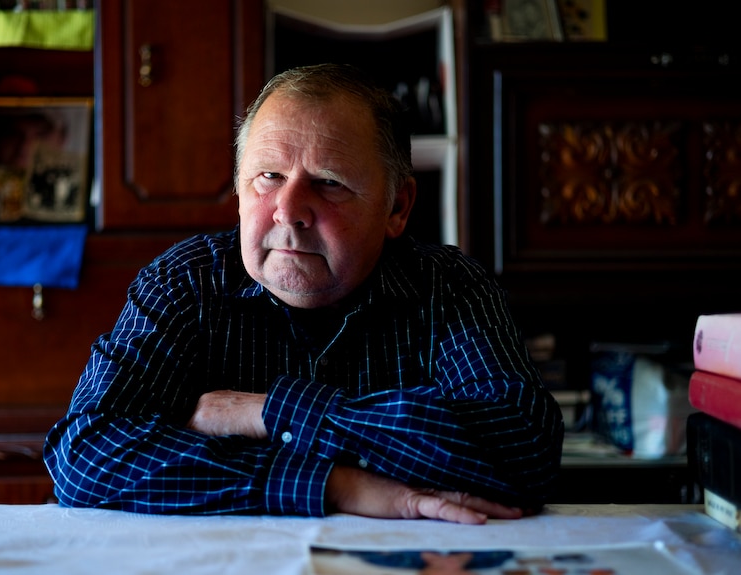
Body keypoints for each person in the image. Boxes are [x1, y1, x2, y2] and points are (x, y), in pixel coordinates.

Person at [44, 63, 564, 524]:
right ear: (239, 193)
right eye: (268, 176)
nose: (287, 209)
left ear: (397, 206)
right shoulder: (186, 281)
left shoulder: (449, 288)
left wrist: (268, 412)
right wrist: (335, 486)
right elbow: (84, 455)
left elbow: (522, 450)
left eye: (330, 182)